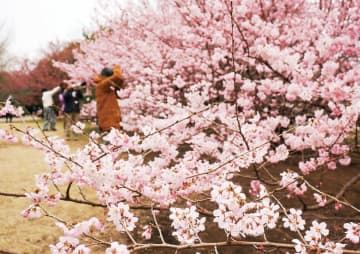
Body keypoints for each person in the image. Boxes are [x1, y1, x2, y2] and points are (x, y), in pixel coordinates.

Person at [94, 65, 125, 132]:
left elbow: (120, 81)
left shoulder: (106, 85)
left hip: (111, 120)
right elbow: (117, 77)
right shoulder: (102, 85)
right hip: (108, 121)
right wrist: (117, 68)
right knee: (109, 141)